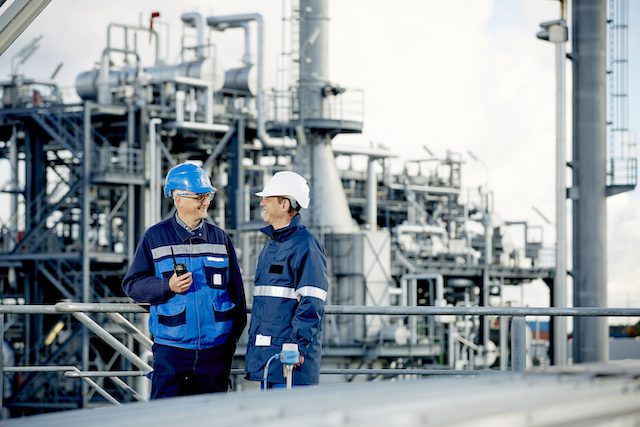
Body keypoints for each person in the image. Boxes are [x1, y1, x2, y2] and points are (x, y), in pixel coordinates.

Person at [122, 162, 247, 399]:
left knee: (212, 415)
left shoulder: (220, 239)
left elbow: (237, 296)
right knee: (166, 414)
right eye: (199, 196)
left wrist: (228, 343)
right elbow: (133, 284)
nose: (205, 202)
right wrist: (167, 286)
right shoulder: (155, 237)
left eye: (207, 196)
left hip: (215, 353)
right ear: (178, 199)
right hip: (172, 353)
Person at [245, 171, 329, 388]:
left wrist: (296, 346)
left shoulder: (306, 245)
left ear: (284, 205)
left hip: (291, 363)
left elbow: (312, 301)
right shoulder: (272, 245)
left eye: (268, 199)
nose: (262, 203)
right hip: (268, 361)